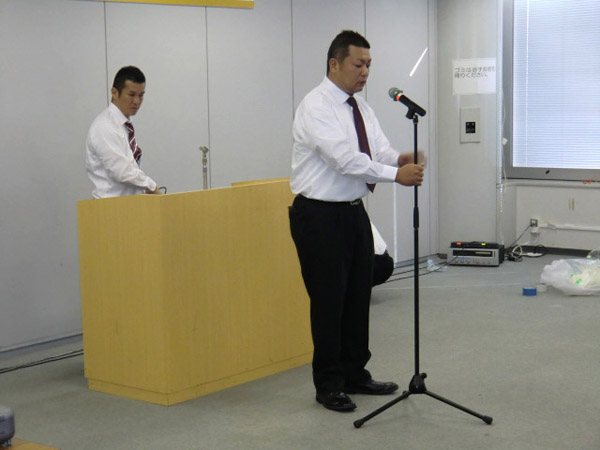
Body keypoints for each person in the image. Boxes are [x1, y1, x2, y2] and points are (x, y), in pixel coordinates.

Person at [288, 30, 425, 412]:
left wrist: (398, 159)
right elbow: (344, 160)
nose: (365, 72)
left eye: (369, 65)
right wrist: (395, 175)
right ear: (335, 64)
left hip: (353, 212)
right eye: (358, 64)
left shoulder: (360, 107)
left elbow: (376, 148)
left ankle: (354, 373)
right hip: (319, 214)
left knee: (357, 296)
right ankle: (328, 383)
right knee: (329, 301)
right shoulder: (316, 106)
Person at [86, 66, 163, 199]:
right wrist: (151, 186)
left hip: (129, 205)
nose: (137, 101)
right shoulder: (104, 126)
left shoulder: (124, 125)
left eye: (141, 95)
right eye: (131, 95)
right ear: (115, 93)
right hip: (110, 207)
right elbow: (121, 171)